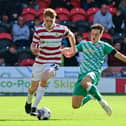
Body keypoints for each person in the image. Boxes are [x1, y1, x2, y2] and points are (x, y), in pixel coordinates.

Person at [62, 24, 126, 116]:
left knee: (85, 82)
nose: (94, 36)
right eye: (92, 34)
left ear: (100, 35)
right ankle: (91, 96)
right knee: (75, 105)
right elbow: (73, 50)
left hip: (93, 73)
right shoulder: (84, 44)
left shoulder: (104, 46)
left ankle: (102, 101)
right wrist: (63, 50)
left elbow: (119, 56)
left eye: (96, 34)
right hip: (82, 74)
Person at [24, 8, 76, 115]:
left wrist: (73, 49)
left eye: (50, 21)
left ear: (54, 19)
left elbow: (71, 35)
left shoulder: (61, 29)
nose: (48, 23)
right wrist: (34, 50)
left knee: (44, 79)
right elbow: (33, 46)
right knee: (33, 88)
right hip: (40, 61)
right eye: (46, 21)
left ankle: (34, 107)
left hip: (54, 61)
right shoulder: (39, 30)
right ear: (44, 19)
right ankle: (29, 100)